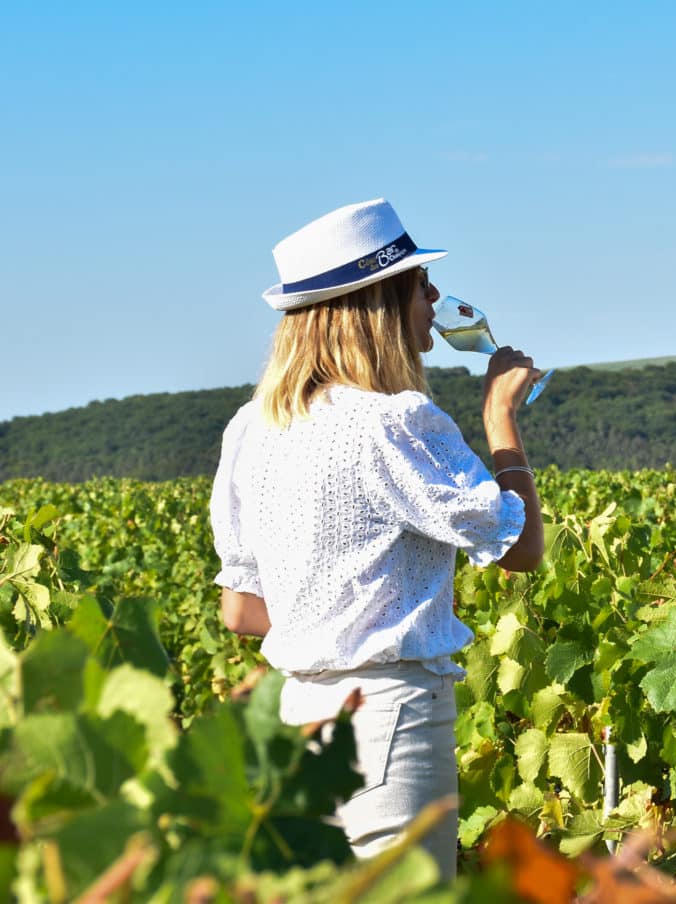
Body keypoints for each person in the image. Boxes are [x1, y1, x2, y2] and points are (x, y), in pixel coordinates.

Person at [209, 197, 543, 879]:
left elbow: (242, 612)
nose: (435, 297)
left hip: (293, 725)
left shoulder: (250, 429)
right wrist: (501, 419)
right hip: (389, 724)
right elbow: (523, 548)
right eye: (420, 284)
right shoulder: (392, 423)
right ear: (381, 301)